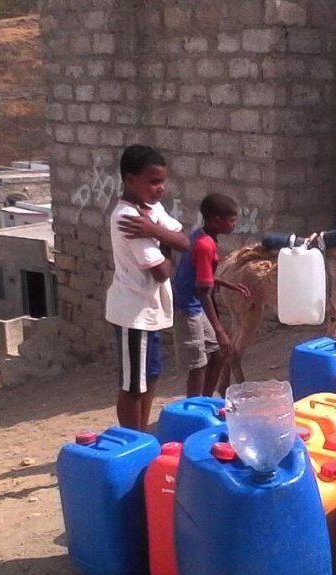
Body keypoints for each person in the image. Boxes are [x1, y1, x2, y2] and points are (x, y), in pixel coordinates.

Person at [105, 144, 189, 431]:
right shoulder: (128, 218)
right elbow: (162, 271)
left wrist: (155, 231)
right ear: (130, 179)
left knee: (150, 376)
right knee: (133, 385)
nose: (160, 188)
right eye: (153, 181)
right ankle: (133, 438)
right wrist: (165, 239)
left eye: (162, 181)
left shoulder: (151, 212)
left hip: (150, 311)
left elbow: (184, 241)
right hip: (134, 312)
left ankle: (141, 437)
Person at [173, 192, 251, 397]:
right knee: (198, 363)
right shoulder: (205, 245)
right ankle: (195, 407)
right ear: (217, 221)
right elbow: (203, 291)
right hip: (188, 308)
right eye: (232, 220)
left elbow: (199, 276)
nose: (235, 225)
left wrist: (227, 284)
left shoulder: (202, 236)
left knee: (217, 354)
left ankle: (206, 400)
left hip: (195, 303)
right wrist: (220, 331)